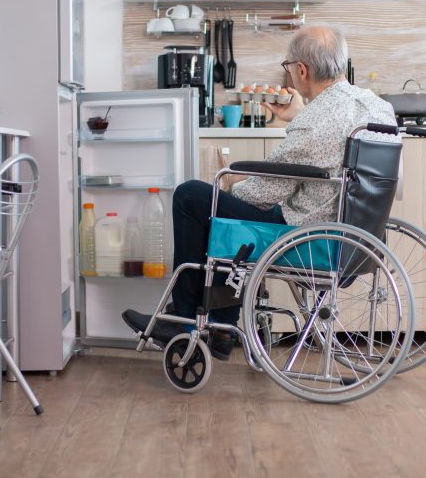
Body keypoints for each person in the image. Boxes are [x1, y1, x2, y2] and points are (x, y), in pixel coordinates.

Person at [122, 25, 399, 360]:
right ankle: (220, 329)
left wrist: (226, 184)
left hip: (307, 239)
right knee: (224, 219)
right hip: (355, 240)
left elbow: (263, 192)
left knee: (193, 197)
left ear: (301, 70)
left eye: (288, 68)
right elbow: (333, 144)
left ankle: (188, 325)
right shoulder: (378, 108)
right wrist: (299, 115)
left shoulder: (315, 121)